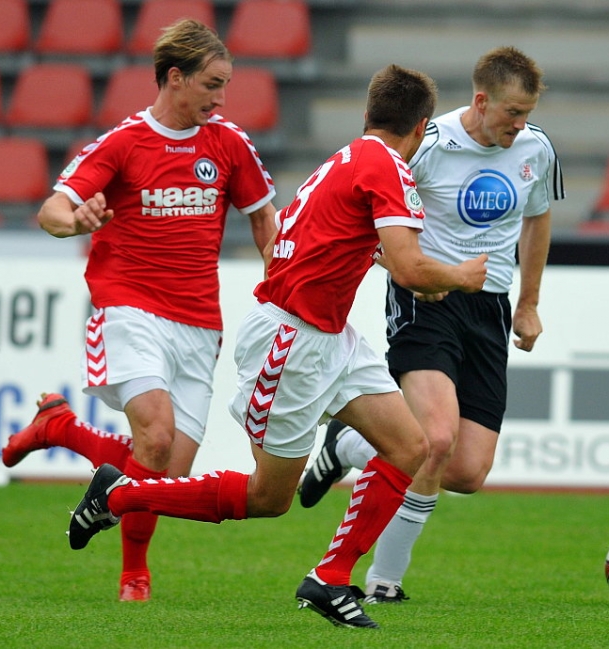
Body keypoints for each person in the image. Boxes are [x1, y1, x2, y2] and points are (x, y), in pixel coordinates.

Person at [65, 63, 487, 629]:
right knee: (269, 498)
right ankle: (120, 496)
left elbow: (347, 241)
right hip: (292, 339)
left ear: (368, 115)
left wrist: (412, 270)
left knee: (412, 448)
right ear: (422, 127)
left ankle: (330, 578)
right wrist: (457, 276)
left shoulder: (350, 157)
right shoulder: (388, 168)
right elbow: (409, 266)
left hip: (330, 335)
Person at [1, 19, 277, 602]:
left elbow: (262, 219)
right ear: (174, 78)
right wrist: (73, 221)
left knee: (165, 474)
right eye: (211, 83)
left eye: (225, 84)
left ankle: (62, 428)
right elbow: (54, 208)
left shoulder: (229, 143)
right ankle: (135, 574)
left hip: (200, 322)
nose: (221, 97)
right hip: (130, 308)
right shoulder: (123, 143)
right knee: (153, 436)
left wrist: (283, 287)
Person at [298, 46, 565, 604]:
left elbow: (537, 221)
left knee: (467, 471)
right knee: (435, 438)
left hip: (489, 308)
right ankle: (383, 580)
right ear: (481, 100)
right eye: (512, 113)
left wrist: (529, 303)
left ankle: (349, 446)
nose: (521, 125)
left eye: (527, 113)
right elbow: (362, 221)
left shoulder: (537, 148)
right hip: (428, 302)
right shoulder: (429, 147)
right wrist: (415, 271)